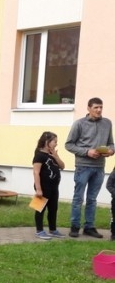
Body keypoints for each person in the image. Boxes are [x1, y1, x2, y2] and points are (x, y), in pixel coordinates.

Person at [65, 97, 115, 238]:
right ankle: (75, 226)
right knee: (78, 198)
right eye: (96, 107)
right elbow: (69, 144)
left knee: (92, 199)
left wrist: (111, 150)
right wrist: (87, 152)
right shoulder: (79, 124)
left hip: (99, 167)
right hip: (83, 166)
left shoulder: (107, 123)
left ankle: (89, 227)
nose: (99, 110)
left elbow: (111, 143)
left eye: (101, 107)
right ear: (88, 108)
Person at [32, 131, 65, 240]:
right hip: (43, 186)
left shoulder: (52, 154)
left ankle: (53, 229)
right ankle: (39, 230)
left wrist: (56, 156)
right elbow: (36, 172)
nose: (56, 144)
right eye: (54, 141)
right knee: (40, 208)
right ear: (47, 141)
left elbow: (62, 166)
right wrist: (38, 189)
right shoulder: (39, 155)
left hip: (54, 187)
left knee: (53, 208)